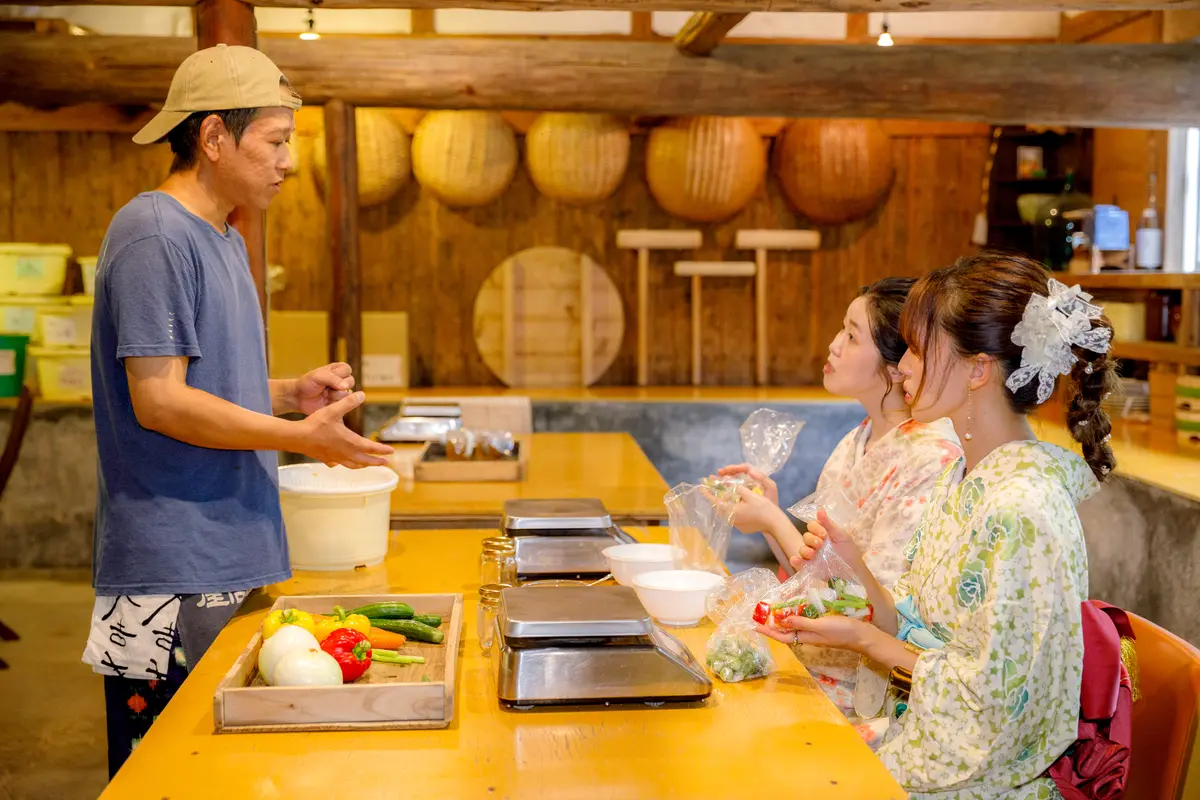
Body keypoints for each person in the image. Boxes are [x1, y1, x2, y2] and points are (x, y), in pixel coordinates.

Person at [80, 45, 393, 778]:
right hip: (172, 565)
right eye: (276, 142)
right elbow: (157, 401)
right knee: (169, 775)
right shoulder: (153, 234)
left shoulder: (221, 235)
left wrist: (288, 393)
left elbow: (199, 382)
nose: (287, 162)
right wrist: (297, 436)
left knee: (231, 775)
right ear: (215, 136)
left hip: (227, 545)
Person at [762, 253, 1116, 799]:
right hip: (925, 734)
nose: (901, 365)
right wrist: (853, 566)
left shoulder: (1023, 509)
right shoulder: (966, 476)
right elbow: (917, 624)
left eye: (919, 349)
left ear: (978, 370)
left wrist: (865, 641)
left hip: (985, 780)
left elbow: (994, 707)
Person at [716, 278, 961, 716]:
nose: (833, 345)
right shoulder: (857, 439)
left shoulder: (931, 459)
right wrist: (771, 514)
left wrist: (773, 520)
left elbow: (871, 608)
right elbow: (812, 574)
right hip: (813, 661)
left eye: (851, 335)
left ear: (896, 365)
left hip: (867, 690)